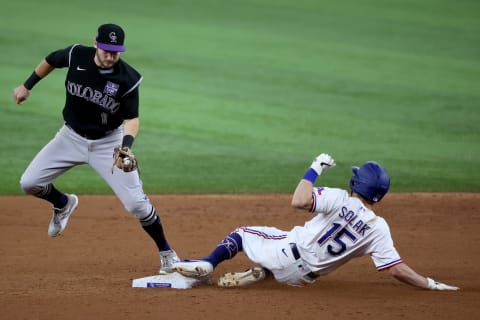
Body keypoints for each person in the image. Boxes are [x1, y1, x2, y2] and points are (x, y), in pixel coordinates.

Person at [13, 23, 179, 274]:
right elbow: (50, 59)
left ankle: (167, 253)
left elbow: (132, 119)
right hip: (70, 137)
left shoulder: (128, 78)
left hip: (108, 144)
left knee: (137, 205)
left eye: (116, 51)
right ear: (95, 44)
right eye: (106, 49)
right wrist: (27, 85)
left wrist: (125, 147)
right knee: (29, 182)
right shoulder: (75, 55)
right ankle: (63, 203)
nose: (111, 55)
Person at [173, 153, 459, 290]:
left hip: (287, 251)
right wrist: (431, 284)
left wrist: (314, 169)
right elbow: (397, 270)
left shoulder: (339, 198)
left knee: (244, 233)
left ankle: (208, 263)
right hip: (302, 279)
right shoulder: (379, 229)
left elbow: (298, 200)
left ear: (356, 183)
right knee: (282, 241)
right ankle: (262, 273)